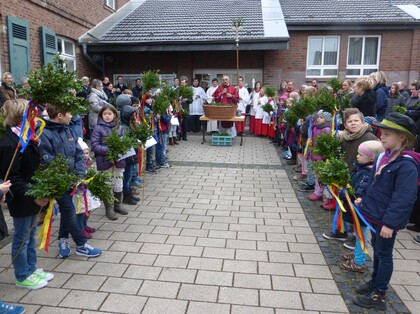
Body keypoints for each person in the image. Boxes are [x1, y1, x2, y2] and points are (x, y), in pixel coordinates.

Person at [353, 113, 419, 311]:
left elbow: (404, 198)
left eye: (388, 134)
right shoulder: (385, 156)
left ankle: (379, 294)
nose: (381, 136)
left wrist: (390, 224)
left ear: (402, 138)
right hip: (374, 213)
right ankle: (374, 282)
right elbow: (373, 182)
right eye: (382, 132)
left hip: (386, 220)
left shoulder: (407, 164)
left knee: (384, 254)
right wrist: (363, 196)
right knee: (378, 251)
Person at [0, 99, 53, 289]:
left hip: (33, 193)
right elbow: (13, 178)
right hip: (23, 198)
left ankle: (31, 268)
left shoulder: (26, 137)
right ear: (19, 116)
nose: (36, 116)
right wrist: (33, 196)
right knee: (22, 237)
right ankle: (22, 275)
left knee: (31, 235)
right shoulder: (9, 143)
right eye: (30, 113)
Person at [39, 104, 102, 258]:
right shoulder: (44, 134)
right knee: (69, 211)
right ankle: (81, 244)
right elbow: (47, 159)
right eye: (69, 113)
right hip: (58, 182)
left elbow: (79, 154)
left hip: (73, 180)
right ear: (60, 115)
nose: (72, 116)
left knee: (68, 212)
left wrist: (79, 176)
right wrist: (64, 178)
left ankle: (62, 240)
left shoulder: (68, 130)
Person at [339, 141, 384, 273]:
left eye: (360, 154)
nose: (357, 156)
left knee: (361, 233)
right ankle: (357, 254)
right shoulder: (360, 168)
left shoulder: (368, 173)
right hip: (356, 206)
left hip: (361, 207)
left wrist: (353, 195)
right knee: (358, 232)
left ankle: (359, 260)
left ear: (371, 158)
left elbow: (361, 189)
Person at [91, 105, 128, 220]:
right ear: (101, 115)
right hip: (104, 161)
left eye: (109, 114)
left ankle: (117, 205)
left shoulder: (120, 128)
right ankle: (109, 208)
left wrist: (121, 150)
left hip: (118, 161)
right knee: (107, 184)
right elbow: (95, 145)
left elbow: (125, 143)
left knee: (118, 183)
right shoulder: (98, 128)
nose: (107, 116)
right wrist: (109, 151)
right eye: (105, 114)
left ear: (115, 115)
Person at [74, 138, 99, 239]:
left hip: (88, 191)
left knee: (88, 209)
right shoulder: (77, 165)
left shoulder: (89, 163)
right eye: (83, 153)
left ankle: (85, 225)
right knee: (81, 211)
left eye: (87, 153)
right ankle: (80, 228)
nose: (85, 155)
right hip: (79, 193)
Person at [307, 111, 332, 202]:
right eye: (318, 117)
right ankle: (316, 191)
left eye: (321, 118)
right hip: (314, 152)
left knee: (320, 174)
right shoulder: (315, 128)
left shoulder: (326, 130)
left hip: (321, 155)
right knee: (316, 173)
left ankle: (320, 192)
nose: (318, 119)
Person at [120, 106, 140, 205]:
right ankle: (126, 196)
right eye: (132, 114)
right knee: (127, 177)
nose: (134, 116)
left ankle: (129, 194)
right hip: (129, 155)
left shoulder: (130, 125)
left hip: (133, 154)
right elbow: (127, 142)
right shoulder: (124, 127)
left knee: (130, 175)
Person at [179, 77, 192, 141]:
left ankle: (184, 136)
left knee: (184, 123)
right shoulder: (178, 89)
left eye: (183, 82)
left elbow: (191, 100)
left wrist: (187, 99)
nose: (182, 84)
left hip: (185, 109)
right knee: (178, 123)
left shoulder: (188, 90)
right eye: (181, 82)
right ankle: (178, 135)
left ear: (186, 83)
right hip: (178, 109)